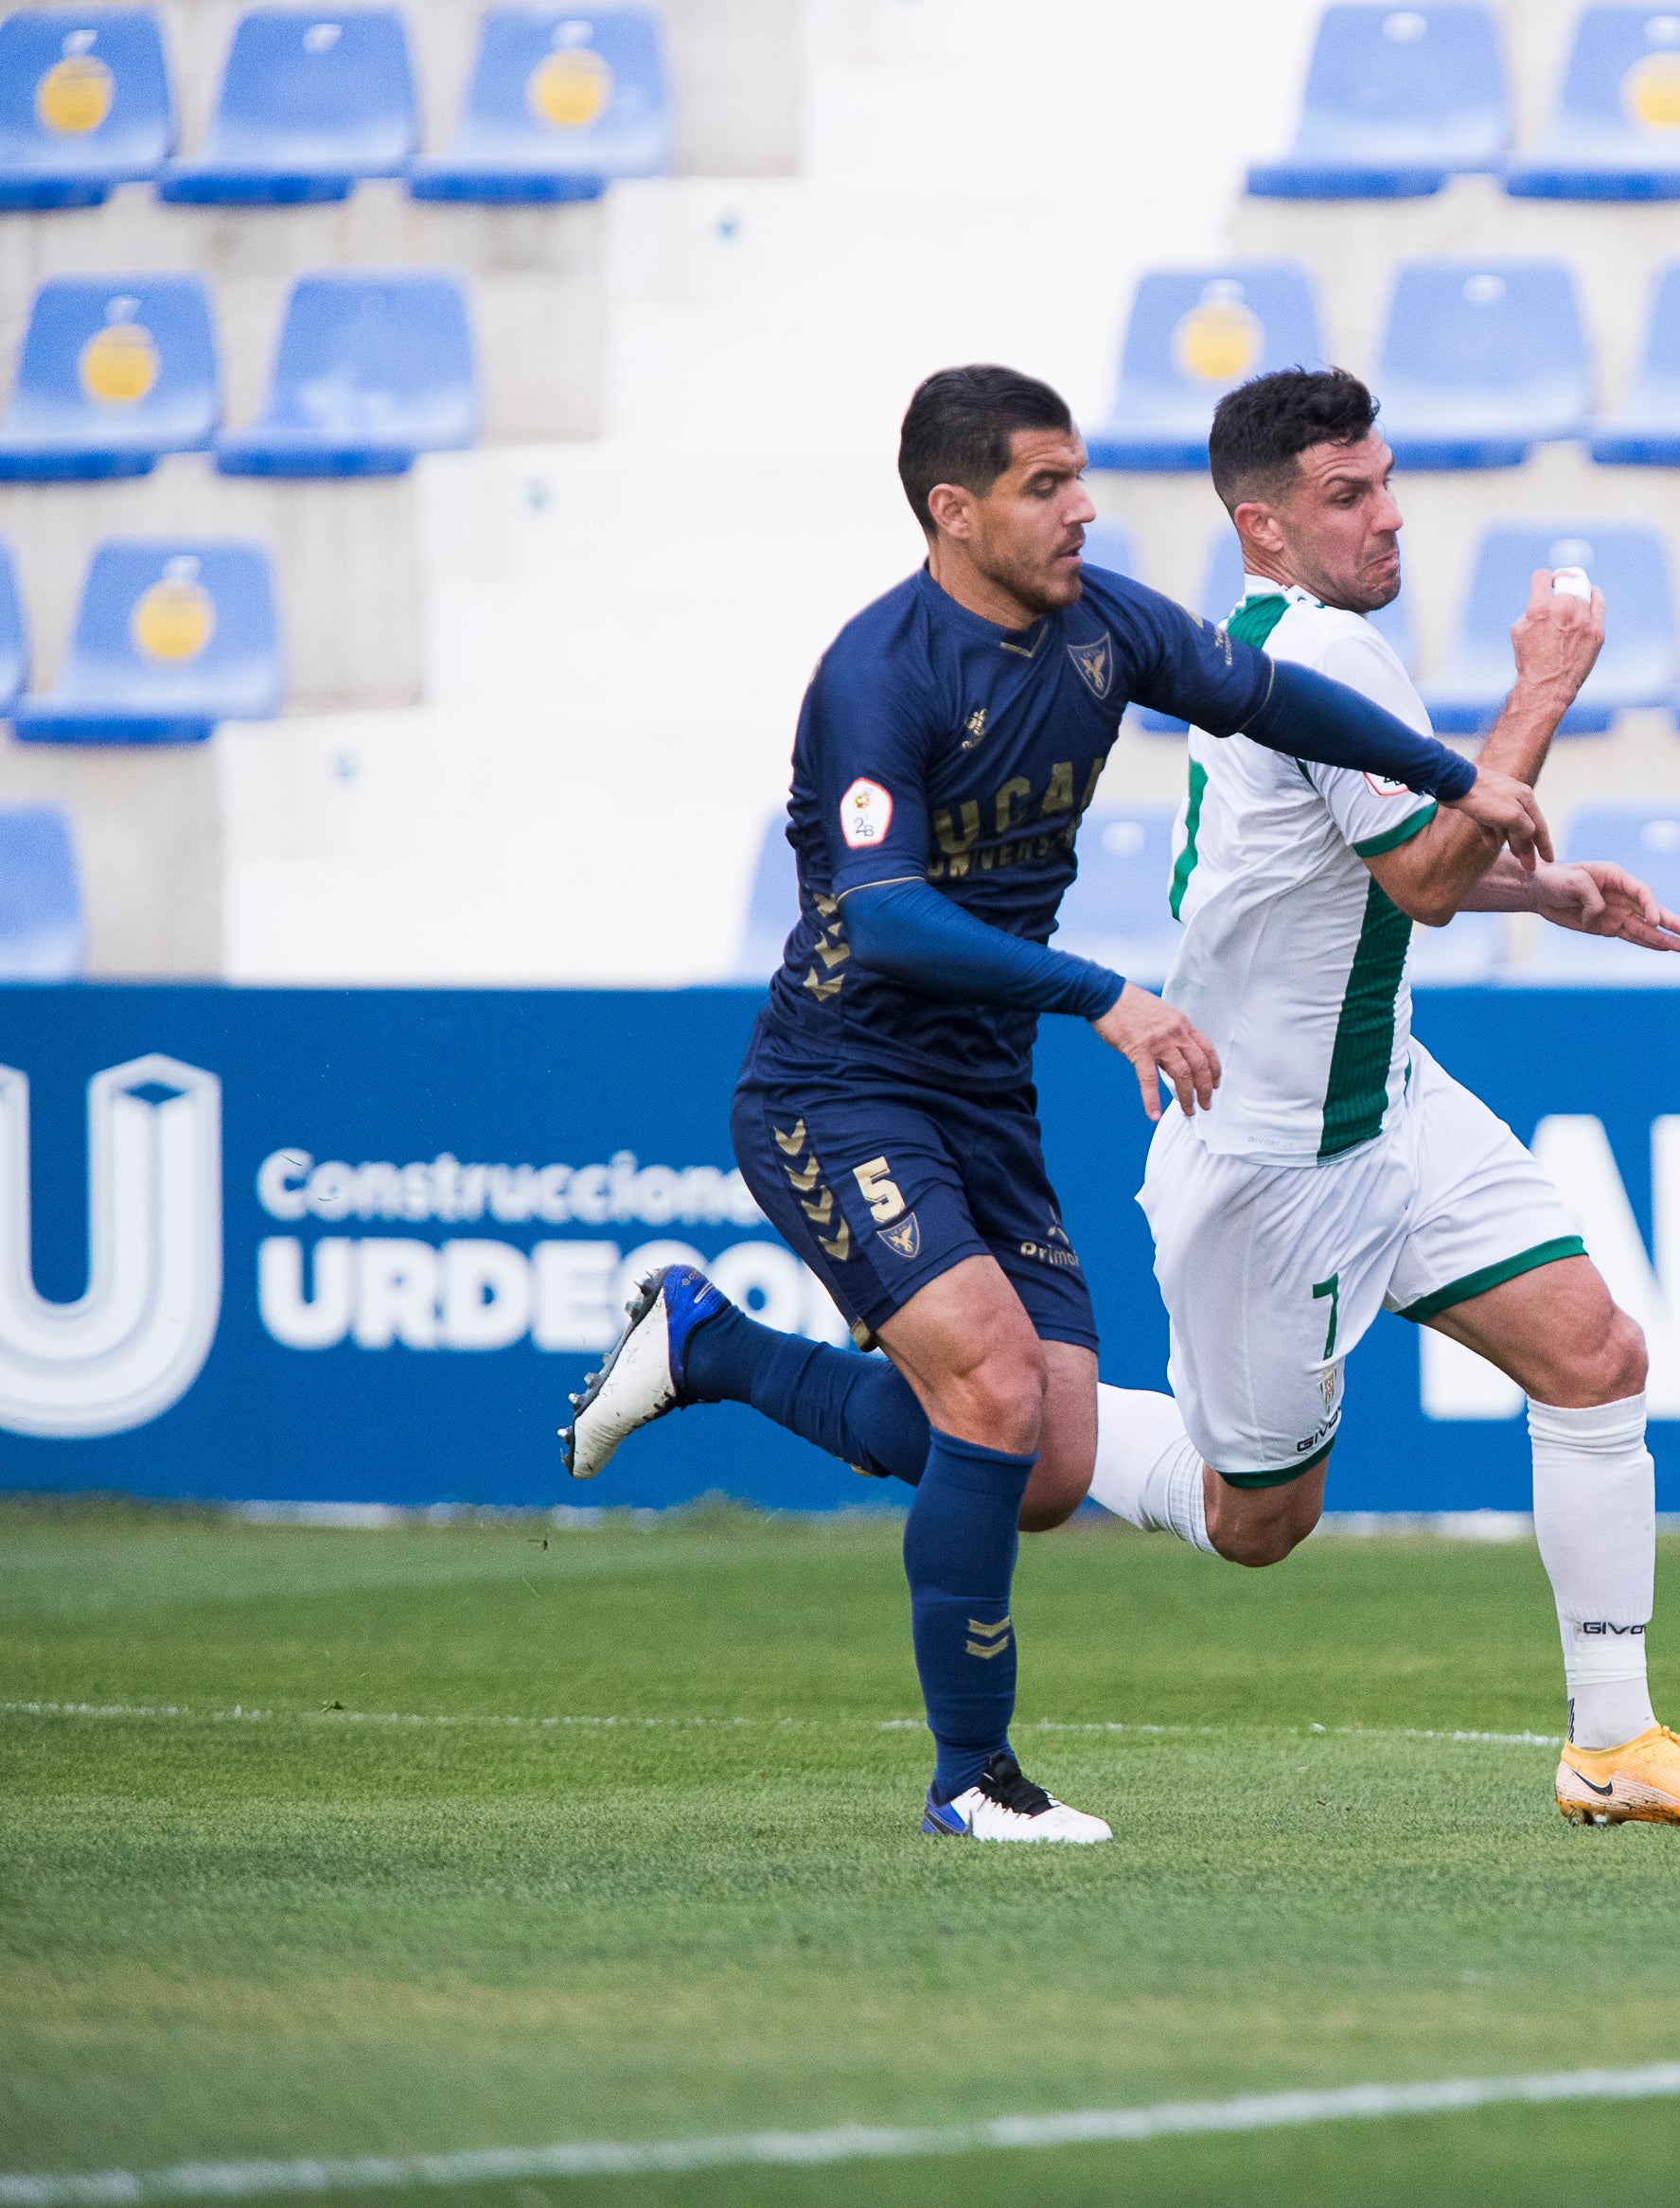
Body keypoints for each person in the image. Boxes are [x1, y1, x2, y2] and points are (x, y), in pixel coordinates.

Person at [554, 364, 1549, 1844]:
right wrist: (1104, 994)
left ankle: (715, 1346)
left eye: (1081, 475)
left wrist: (1457, 780)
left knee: (1045, 1461)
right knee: (997, 1398)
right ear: (954, 513)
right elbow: (881, 917)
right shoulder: (878, 675)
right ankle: (974, 1781)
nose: (1082, 506)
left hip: (977, 1081)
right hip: (840, 1081)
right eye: (1043, 485)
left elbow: (1271, 696)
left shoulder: (1107, 625)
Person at [1084, 366, 1680, 1828]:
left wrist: (1550, 889)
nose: (1389, 519)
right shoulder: (1315, 654)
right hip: (1279, 1159)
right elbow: (1419, 868)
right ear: (1262, 529)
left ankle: (1614, 1741)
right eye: (1348, 498)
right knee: (1256, 1522)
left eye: (1388, 482)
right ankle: (1003, 1400)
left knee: (1595, 1354)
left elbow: (1400, 861)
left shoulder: (1309, 646)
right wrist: (1540, 695)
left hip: (1390, 1098)